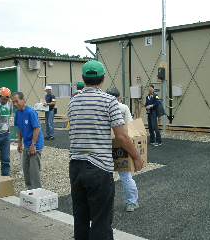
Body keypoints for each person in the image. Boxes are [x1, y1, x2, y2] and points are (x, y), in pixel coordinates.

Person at [68, 60, 143, 240]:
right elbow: (122, 136)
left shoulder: (73, 101)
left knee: (81, 219)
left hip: (75, 167)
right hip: (99, 168)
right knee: (101, 221)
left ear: (83, 78)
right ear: (102, 79)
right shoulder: (109, 101)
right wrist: (137, 157)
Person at [106, 88, 139, 212]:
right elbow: (131, 126)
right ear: (119, 97)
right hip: (121, 145)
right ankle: (132, 202)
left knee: (105, 176)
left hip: (105, 145)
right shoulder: (124, 108)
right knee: (125, 176)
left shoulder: (104, 106)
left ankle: (105, 204)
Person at [13, 92, 44, 190]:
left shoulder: (31, 112)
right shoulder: (17, 113)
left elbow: (37, 129)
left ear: (23, 100)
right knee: (26, 169)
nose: (14, 104)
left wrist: (33, 145)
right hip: (27, 144)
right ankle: (30, 191)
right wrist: (19, 143)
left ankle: (37, 191)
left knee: (34, 170)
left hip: (35, 144)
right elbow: (20, 128)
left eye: (16, 101)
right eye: (13, 102)